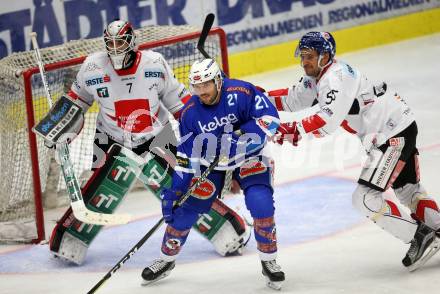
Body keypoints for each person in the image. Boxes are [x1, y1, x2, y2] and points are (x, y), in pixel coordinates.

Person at [39, 19, 250, 265]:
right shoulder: (92, 67)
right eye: (111, 43)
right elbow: (76, 102)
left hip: (156, 136)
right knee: (100, 194)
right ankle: (69, 241)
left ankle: (228, 230)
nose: (116, 48)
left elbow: (179, 103)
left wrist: (204, 128)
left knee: (184, 188)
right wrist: (61, 128)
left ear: (132, 42)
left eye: (121, 42)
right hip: (110, 138)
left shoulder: (154, 63)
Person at [268, 31, 440, 270]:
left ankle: (419, 236)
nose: (303, 61)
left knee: (365, 199)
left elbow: (327, 121)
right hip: (397, 127)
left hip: (392, 135)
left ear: (325, 56)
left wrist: (292, 129)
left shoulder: (336, 78)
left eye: (309, 56)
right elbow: (292, 100)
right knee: (408, 190)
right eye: (303, 56)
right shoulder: (320, 76)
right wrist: (256, 97)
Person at [141, 58, 285, 290]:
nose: (201, 92)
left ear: (218, 80)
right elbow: (186, 160)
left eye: (206, 85)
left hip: (251, 156)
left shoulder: (241, 91)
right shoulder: (189, 114)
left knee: (261, 204)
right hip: (213, 164)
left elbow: (271, 120)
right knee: (183, 213)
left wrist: (241, 137)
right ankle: (166, 260)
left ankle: (270, 262)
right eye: (196, 87)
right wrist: (174, 191)